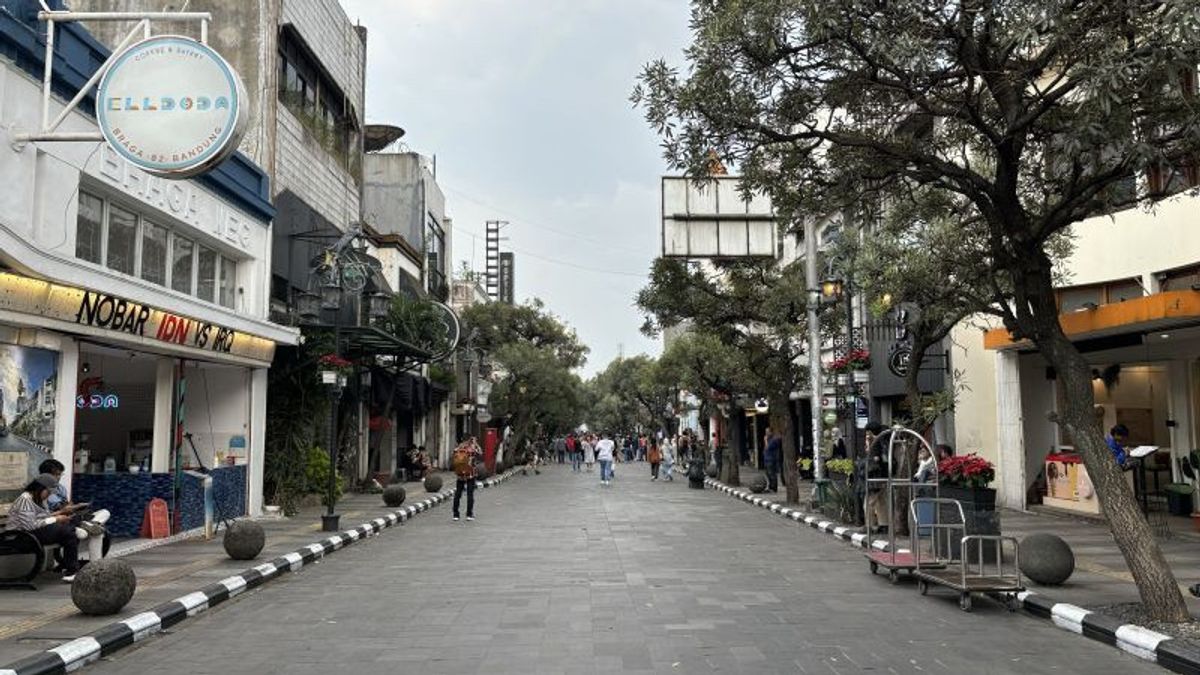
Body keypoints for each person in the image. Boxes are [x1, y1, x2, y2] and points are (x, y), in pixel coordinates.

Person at [6, 474, 80, 582]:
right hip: (22, 537)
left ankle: (70, 567)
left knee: (70, 527)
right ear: (40, 488)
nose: (48, 495)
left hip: (33, 533)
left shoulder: (36, 499)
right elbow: (29, 525)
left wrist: (60, 513)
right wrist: (56, 519)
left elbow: (42, 517)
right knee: (67, 532)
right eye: (48, 492)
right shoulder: (25, 500)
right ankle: (72, 570)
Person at [38, 459, 109, 562]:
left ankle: (88, 525)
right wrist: (65, 510)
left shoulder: (60, 488)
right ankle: (96, 565)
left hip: (71, 516)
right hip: (58, 521)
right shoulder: (40, 490)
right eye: (56, 475)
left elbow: (67, 504)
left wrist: (76, 506)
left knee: (105, 513)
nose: (58, 478)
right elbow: (46, 514)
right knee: (97, 533)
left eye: (60, 475)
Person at [452, 436, 483, 521]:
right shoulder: (472, 448)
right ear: (470, 439)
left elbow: (454, 460)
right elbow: (480, 453)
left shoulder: (457, 448)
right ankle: (469, 514)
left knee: (458, 494)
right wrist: (475, 444)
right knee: (470, 495)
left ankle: (456, 515)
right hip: (470, 474)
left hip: (460, 475)